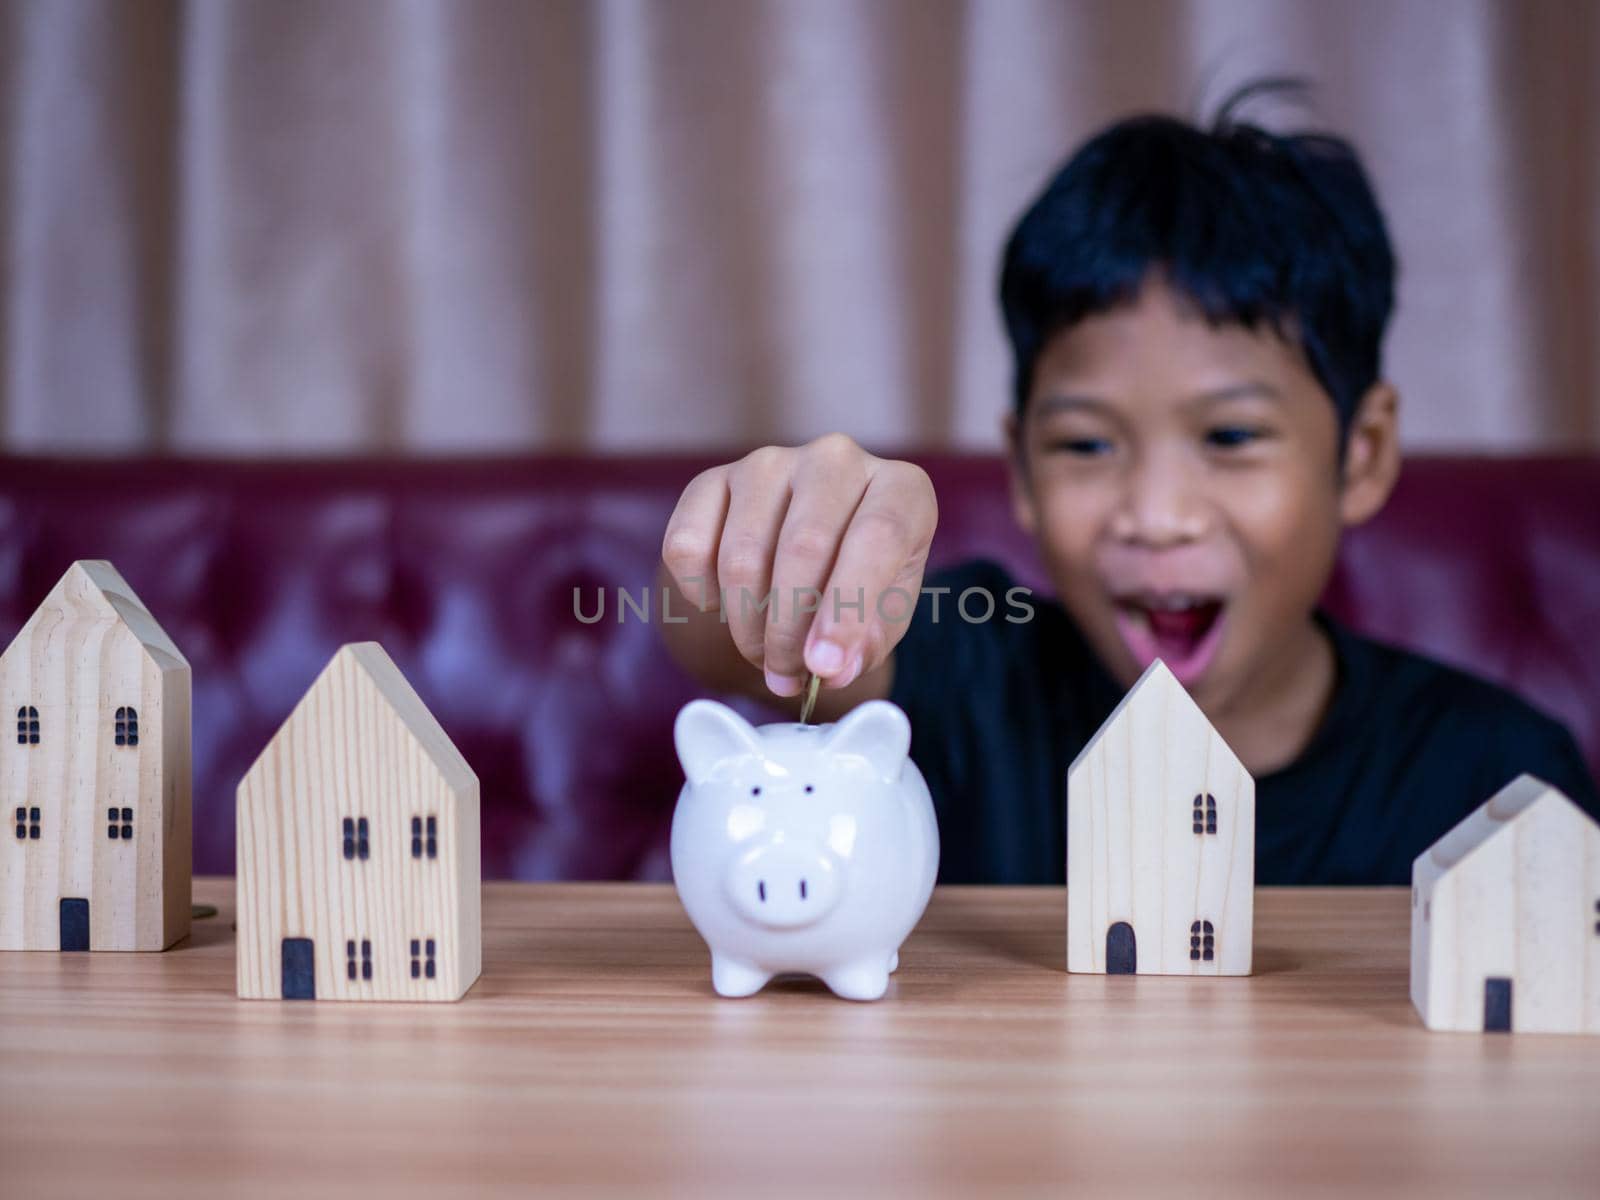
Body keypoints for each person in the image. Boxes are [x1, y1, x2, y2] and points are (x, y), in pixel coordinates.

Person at [654, 88, 1600, 884]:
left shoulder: (1494, 773)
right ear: (1020, 467)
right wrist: (767, 541)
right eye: (1086, 446)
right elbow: (721, 643)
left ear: (1362, 453)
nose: (1155, 516)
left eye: (1231, 435)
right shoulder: (978, 676)